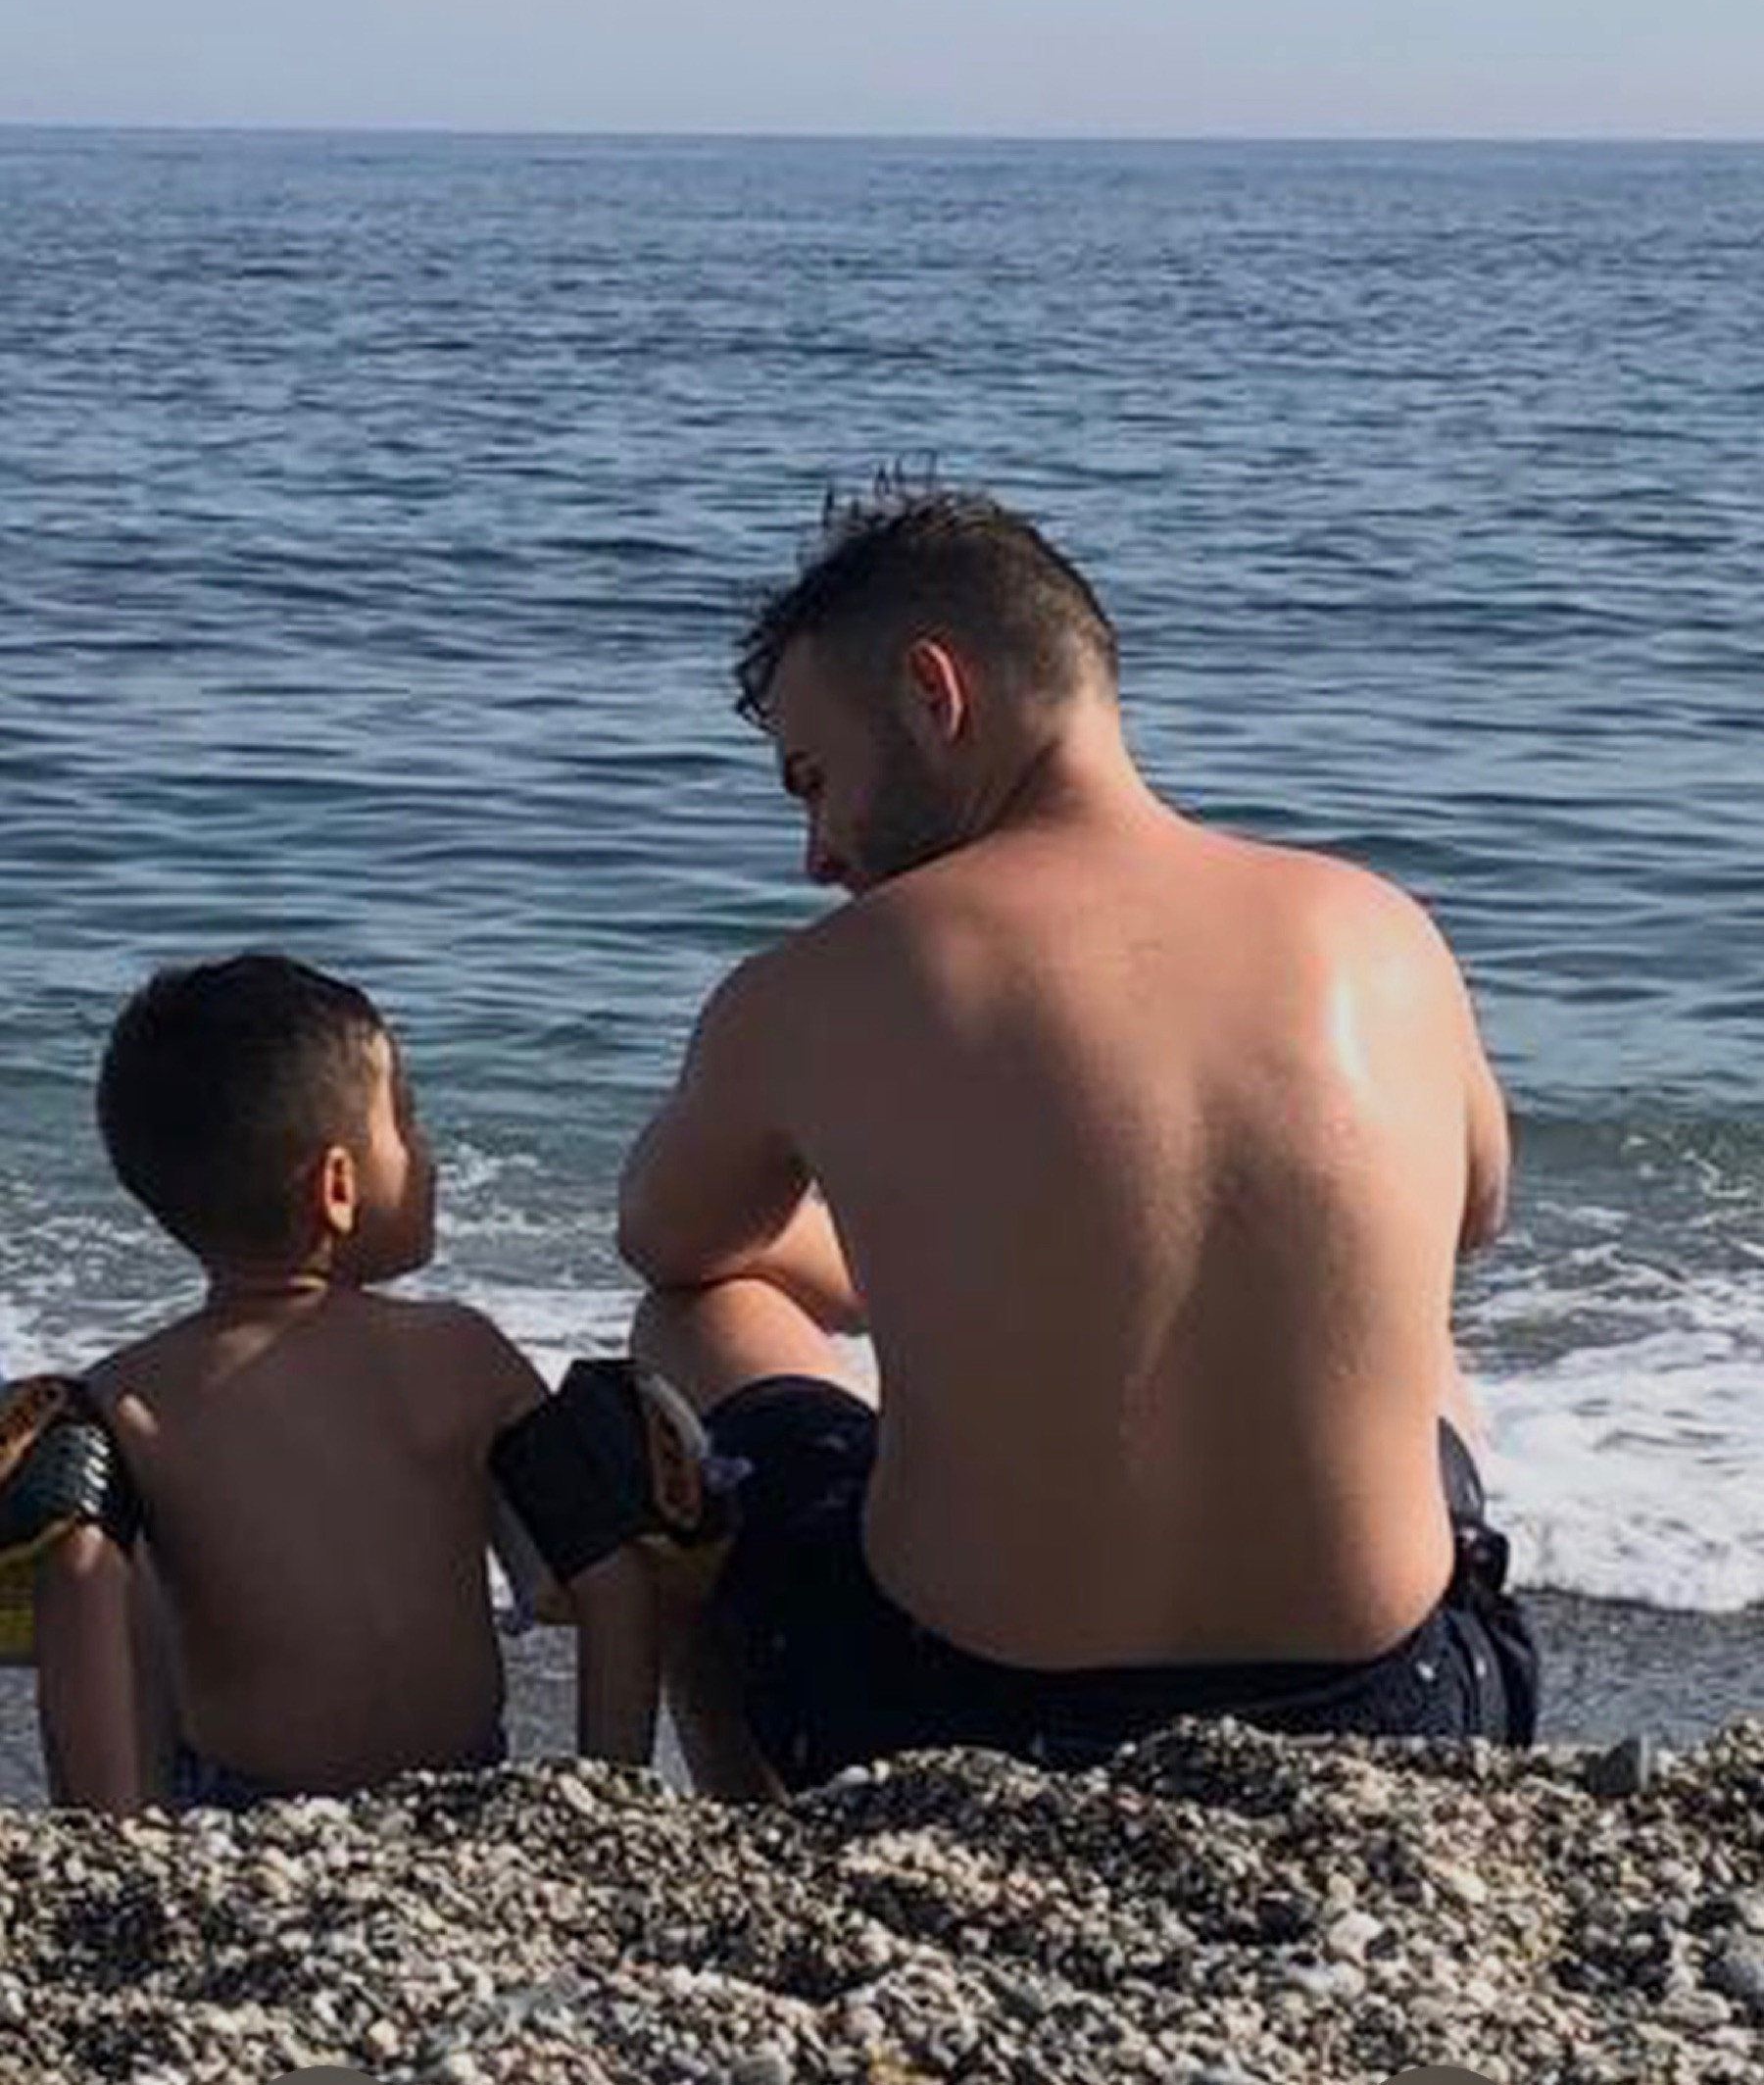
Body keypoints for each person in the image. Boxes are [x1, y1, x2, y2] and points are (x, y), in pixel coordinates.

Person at [616, 482, 1540, 1794]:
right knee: (1410, 1327)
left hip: (954, 1712)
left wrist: (898, 1259)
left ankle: (756, 1822)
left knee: (695, 1318)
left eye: (815, 782)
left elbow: (668, 1238)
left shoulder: (819, 982)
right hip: (1408, 1711)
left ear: (934, 692)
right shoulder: (1382, 929)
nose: (817, 853)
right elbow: (1473, 1210)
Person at [30, 952, 656, 1813]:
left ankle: (112, 1826)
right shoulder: (462, 1353)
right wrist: (611, 1793)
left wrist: (115, 1830)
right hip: (462, 1792)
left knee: (95, 1544)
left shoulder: (129, 1397)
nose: (429, 1154)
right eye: (409, 1122)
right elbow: (615, 1581)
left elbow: (78, 1590)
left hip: (242, 1810)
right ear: (336, 1185)